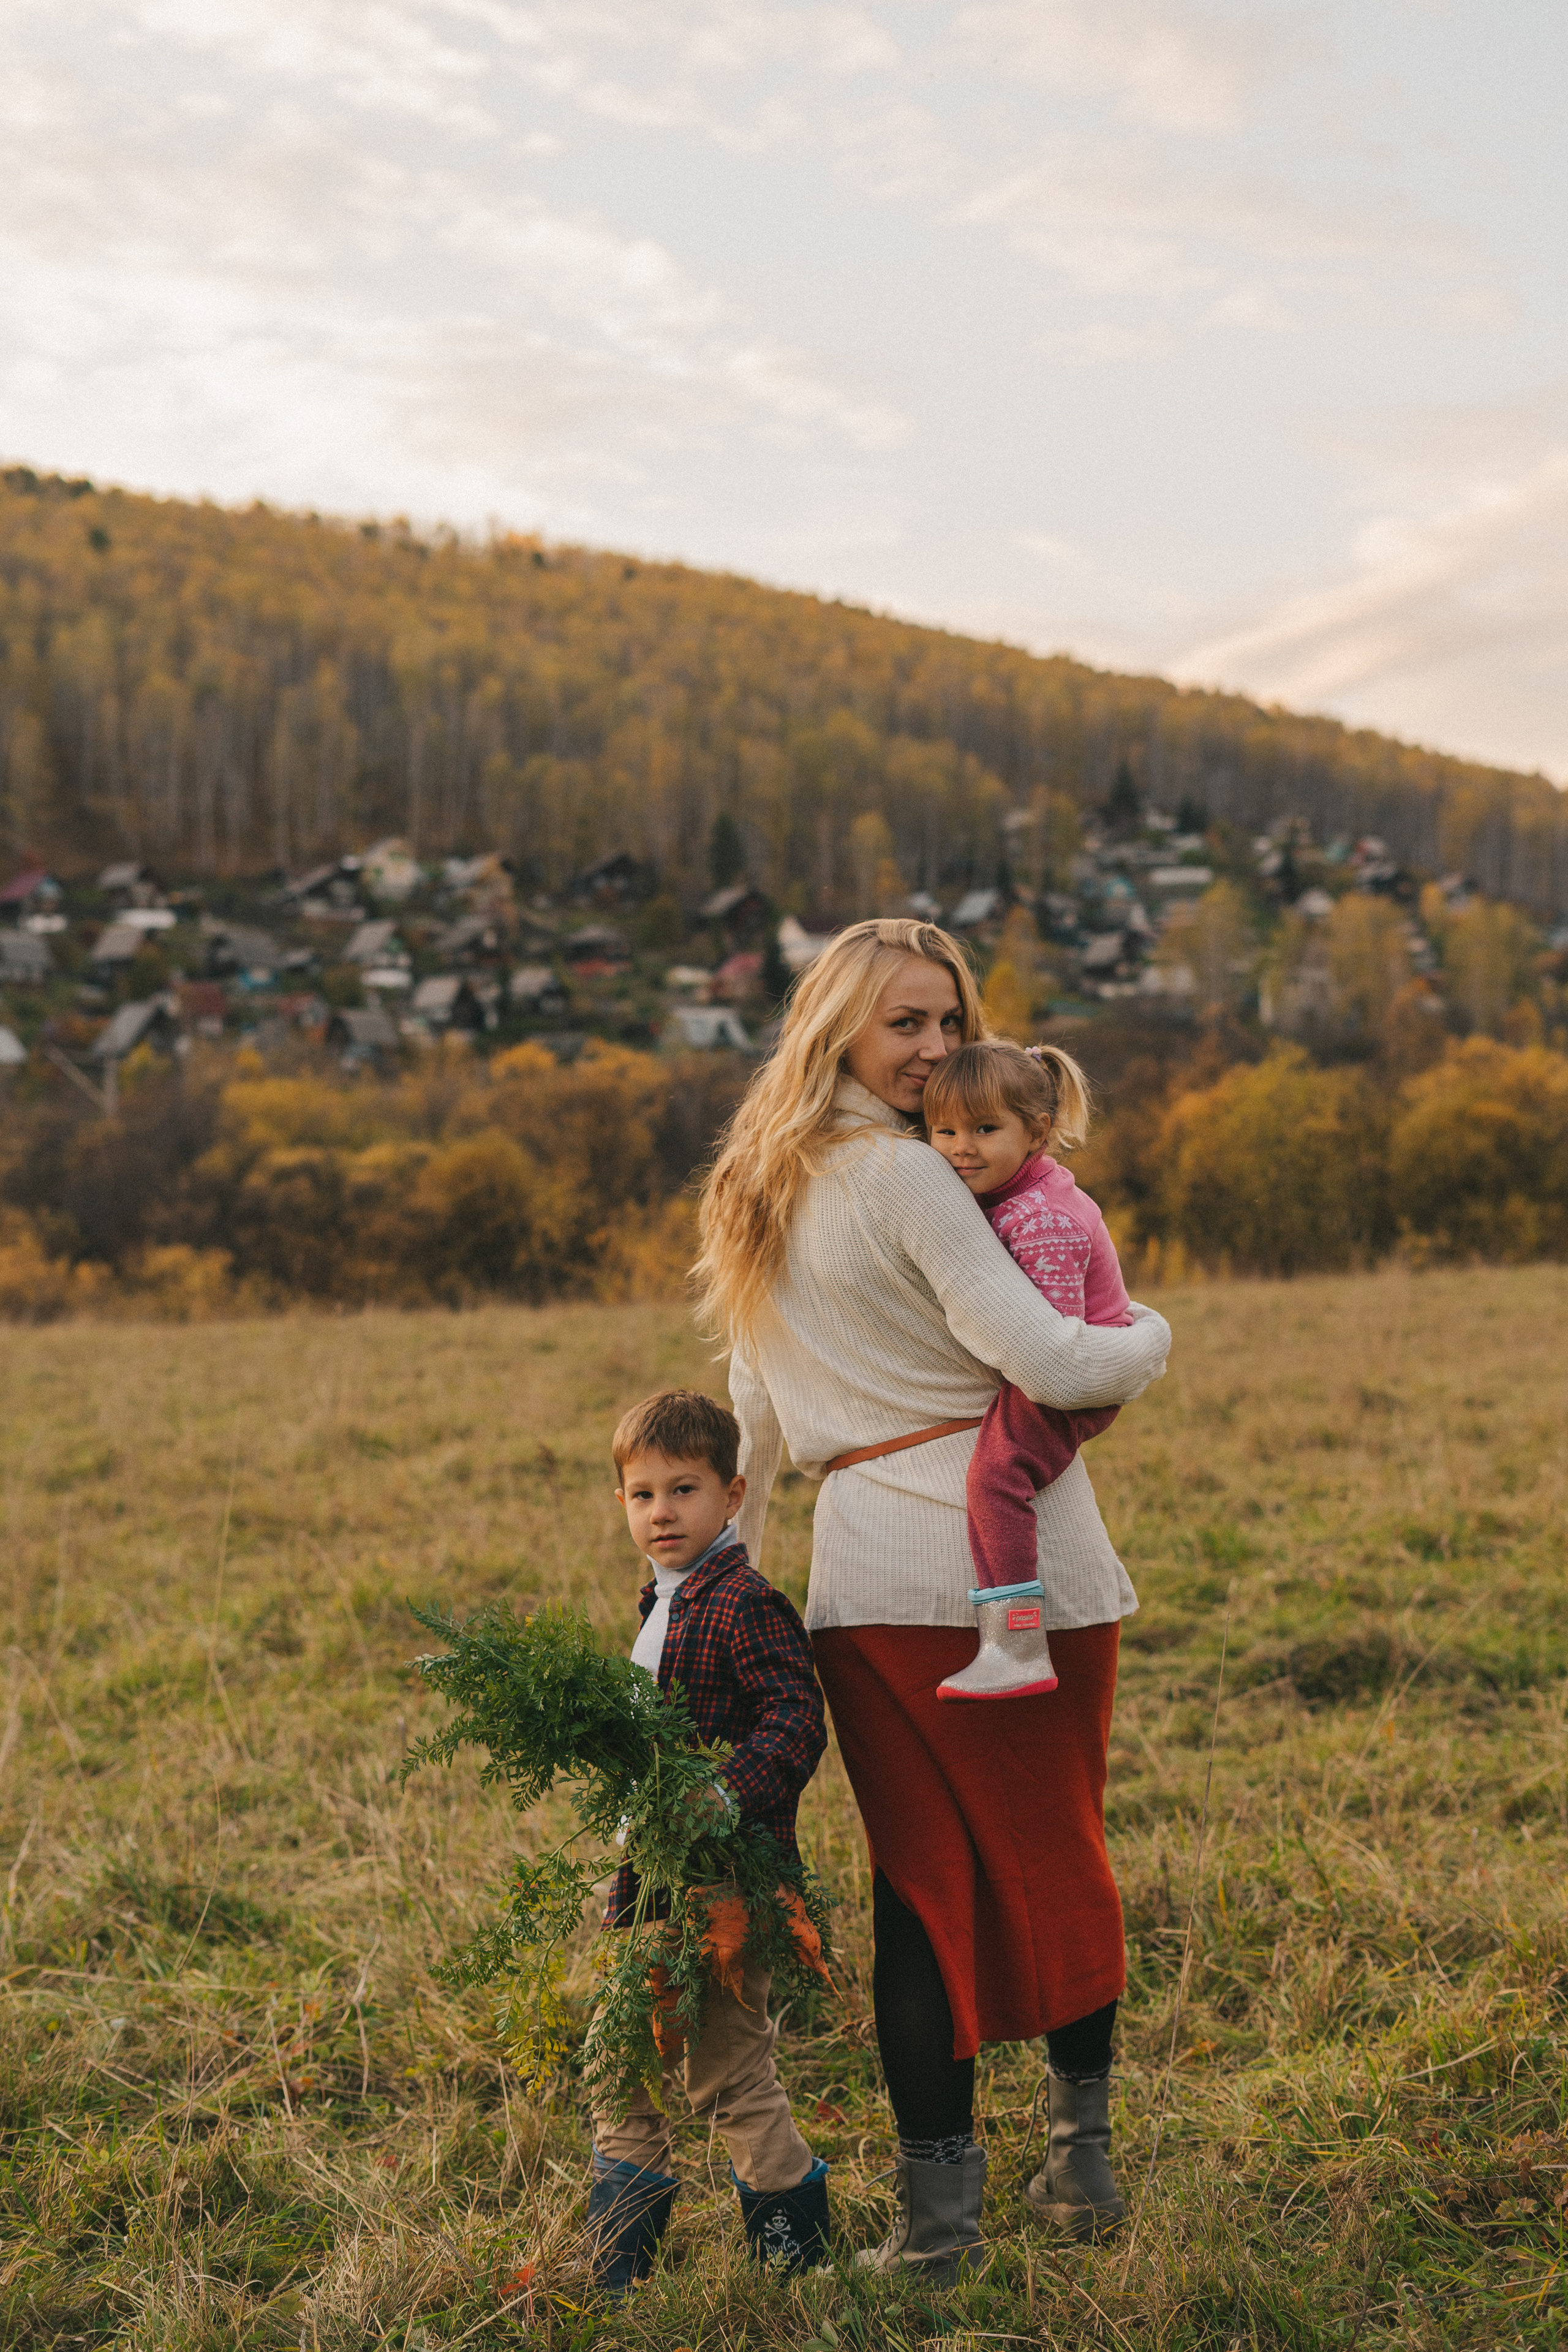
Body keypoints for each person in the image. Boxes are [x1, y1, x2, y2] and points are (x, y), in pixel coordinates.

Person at [695, 919, 1170, 2277]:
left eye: (951, 1021)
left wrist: (742, 1585)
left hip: (860, 1578)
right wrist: (1151, 1337)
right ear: (836, 1026)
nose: (936, 1049)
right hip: (1013, 1565)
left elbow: (753, 1424)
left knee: (921, 1890)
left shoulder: (756, 1184)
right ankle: (1076, 2169)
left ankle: (936, 2234)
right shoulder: (910, 1183)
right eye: (905, 1023)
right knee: (1056, 1850)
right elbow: (1052, 1361)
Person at [584, 1387, 830, 2299]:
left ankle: (793, 2263)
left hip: (727, 1882)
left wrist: (723, 1793)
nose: (662, 1512)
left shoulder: (745, 1604)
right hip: (646, 1878)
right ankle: (618, 2269)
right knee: (625, 2055)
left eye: (683, 1490)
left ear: (732, 1496)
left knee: (727, 2075)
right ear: (622, 1505)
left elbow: (797, 1720)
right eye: (643, 1494)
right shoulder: (661, 1602)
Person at [921, 1037, 1131, 1702]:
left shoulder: (1038, 1217)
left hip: (1074, 1379)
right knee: (991, 1477)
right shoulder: (1018, 1194)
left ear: (1036, 1132)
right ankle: (1006, 1638)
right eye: (944, 1130)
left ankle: (1017, 1644)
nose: (961, 1147)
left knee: (994, 1478)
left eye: (985, 1130)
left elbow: (1051, 1345)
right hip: (1071, 1366)